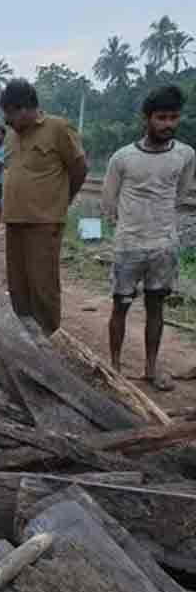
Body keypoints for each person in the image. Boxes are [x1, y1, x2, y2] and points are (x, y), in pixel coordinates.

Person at [101, 85, 196, 392]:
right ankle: (114, 369)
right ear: (147, 119)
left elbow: (180, 194)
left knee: (157, 307)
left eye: (173, 117)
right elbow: (109, 202)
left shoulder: (185, 155)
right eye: (161, 117)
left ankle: (151, 369)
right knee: (121, 306)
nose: (168, 124)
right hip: (129, 246)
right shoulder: (123, 158)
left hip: (163, 246)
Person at [0, 79, 88, 334]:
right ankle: (25, 333)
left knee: (42, 283)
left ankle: (48, 337)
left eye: (10, 114)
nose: (7, 120)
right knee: (18, 283)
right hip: (15, 218)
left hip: (44, 220)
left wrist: (62, 201)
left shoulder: (58, 128)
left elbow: (79, 168)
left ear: (25, 108)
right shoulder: (12, 136)